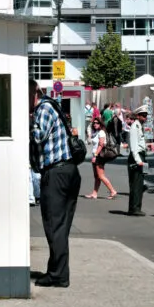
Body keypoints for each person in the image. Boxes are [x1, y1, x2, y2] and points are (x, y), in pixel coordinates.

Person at [29, 80, 79, 288]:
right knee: (61, 227)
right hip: (67, 171)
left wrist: (24, 122)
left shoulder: (44, 108)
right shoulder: (50, 106)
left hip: (57, 173)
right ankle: (58, 272)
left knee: (54, 225)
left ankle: (58, 275)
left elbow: (38, 136)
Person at [83, 117, 117, 200]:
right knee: (97, 176)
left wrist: (95, 155)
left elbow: (101, 145)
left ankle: (113, 191)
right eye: (94, 123)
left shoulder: (101, 132)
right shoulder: (96, 132)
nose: (95, 124)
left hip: (99, 156)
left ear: (100, 124)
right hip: (96, 155)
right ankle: (94, 193)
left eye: (97, 123)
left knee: (101, 176)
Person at [126, 105, 149, 216]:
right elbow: (134, 146)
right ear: (138, 116)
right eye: (143, 116)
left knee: (139, 184)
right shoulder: (135, 127)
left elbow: (141, 144)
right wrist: (138, 160)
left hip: (140, 156)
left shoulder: (139, 126)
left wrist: (149, 147)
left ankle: (135, 207)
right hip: (136, 158)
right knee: (136, 184)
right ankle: (134, 208)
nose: (145, 118)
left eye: (146, 116)